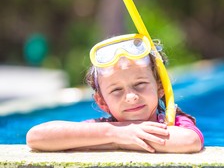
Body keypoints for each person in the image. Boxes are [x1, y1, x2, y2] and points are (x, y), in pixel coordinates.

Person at [26, 34, 204, 153]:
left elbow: (190, 141)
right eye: (117, 90)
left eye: (140, 84)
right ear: (102, 101)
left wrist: (118, 141)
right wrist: (115, 134)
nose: (131, 97)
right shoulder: (106, 127)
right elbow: (36, 136)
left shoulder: (170, 123)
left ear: (160, 88)